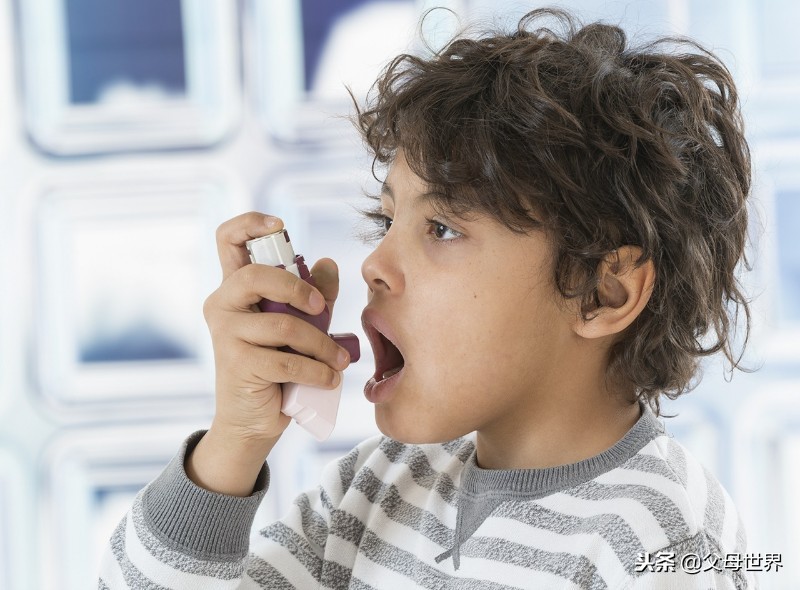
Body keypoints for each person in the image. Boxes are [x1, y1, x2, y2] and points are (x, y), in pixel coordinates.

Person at [99, 8, 757, 589]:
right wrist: (234, 443)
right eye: (388, 221)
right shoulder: (376, 487)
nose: (376, 265)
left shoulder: (665, 549)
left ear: (602, 291)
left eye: (442, 229)